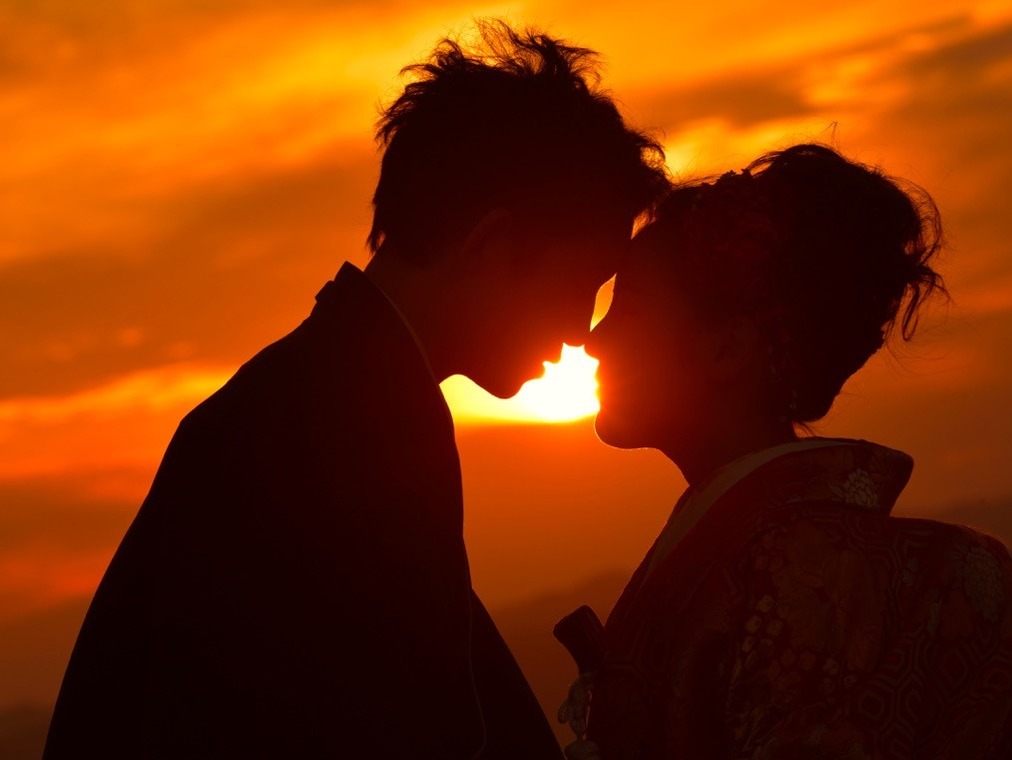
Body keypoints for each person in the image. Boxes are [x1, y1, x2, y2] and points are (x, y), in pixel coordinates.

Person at [44, 21, 668, 759]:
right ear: (489, 247)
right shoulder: (344, 431)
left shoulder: (322, 398)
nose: (577, 332)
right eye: (577, 287)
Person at [556, 144, 1012, 758]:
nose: (593, 340)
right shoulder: (811, 560)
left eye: (628, 309)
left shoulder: (805, 577)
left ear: (726, 351)